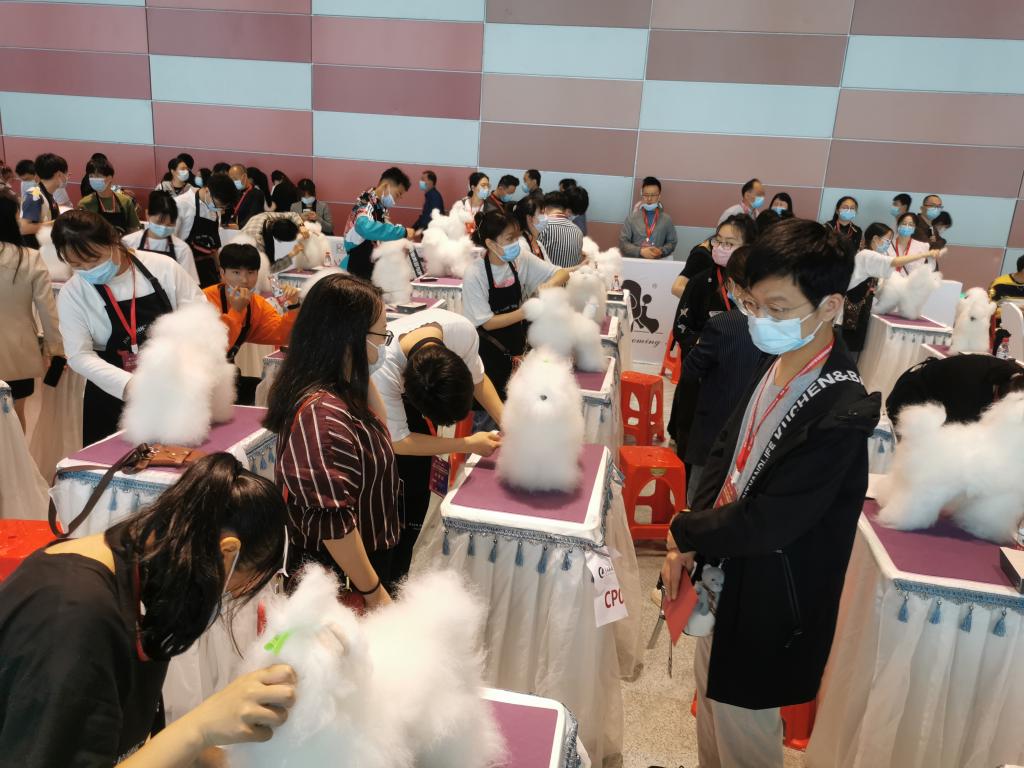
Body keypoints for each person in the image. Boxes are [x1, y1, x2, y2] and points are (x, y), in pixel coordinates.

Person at [661, 218, 880, 768]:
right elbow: (726, 448)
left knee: (744, 732)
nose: (761, 320)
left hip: (769, 594)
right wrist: (692, 528)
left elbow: (770, 520)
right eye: (753, 305)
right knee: (712, 709)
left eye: (778, 309)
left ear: (830, 306)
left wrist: (685, 530)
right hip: (725, 571)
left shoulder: (840, 409)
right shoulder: (779, 360)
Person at [0, 453, 299, 767]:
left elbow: (130, 744)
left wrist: (211, 755)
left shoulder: (142, 576)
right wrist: (199, 728)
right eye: (229, 593)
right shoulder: (74, 614)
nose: (218, 604)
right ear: (226, 555)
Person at [265, 273, 401, 599]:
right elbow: (332, 522)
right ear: (350, 337)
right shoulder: (322, 415)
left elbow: (383, 426)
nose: (384, 344)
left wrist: (358, 365)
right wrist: (374, 592)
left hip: (364, 558)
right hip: (345, 574)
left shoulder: (342, 387)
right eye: (381, 334)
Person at [372, 306, 504, 579]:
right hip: (379, 432)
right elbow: (399, 442)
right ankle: (389, 581)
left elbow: (478, 381)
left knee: (418, 495)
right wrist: (466, 443)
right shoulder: (381, 367)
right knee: (399, 516)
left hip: (403, 413)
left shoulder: (462, 331)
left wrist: (508, 422)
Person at [53, 210, 205, 445]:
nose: (88, 269)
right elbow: (78, 355)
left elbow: (199, 317)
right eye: (76, 265)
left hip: (175, 385)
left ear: (113, 241)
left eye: (94, 259)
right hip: (111, 395)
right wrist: (129, 384)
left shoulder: (163, 268)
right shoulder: (73, 293)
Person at [678, 246, 767, 504]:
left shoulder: (722, 325)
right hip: (756, 433)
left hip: (715, 429)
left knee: (699, 498)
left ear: (733, 286)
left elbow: (690, 370)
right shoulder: (779, 325)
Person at [670, 215, 757, 458]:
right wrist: (708, 343)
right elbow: (681, 328)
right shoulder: (700, 282)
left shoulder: (758, 286)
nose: (720, 248)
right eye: (718, 241)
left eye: (730, 243)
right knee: (693, 445)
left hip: (740, 379)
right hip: (701, 378)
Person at [463, 209, 569, 399]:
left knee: (519, 400)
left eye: (517, 237)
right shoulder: (475, 273)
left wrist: (548, 285)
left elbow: (562, 273)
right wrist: (525, 312)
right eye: (509, 239)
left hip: (516, 345)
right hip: (488, 352)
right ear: (490, 243)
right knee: (491, 405)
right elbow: (488, 323)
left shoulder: (520, 260)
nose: (516, 243)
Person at [204, 242, 300, 404]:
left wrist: (293, 306)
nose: (244, 280)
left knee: (274, 393)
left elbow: (282, 336)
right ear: (222, 273)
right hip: (198, 380)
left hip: (227, 378)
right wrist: (236, 311)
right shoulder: (205, 299)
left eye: (250, 273)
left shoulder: (256, 304)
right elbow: (215, 348)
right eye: (236, 272)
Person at [0, 190, 64, 430]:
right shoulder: (30, 258)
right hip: (19, 351)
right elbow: (47, 309)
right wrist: (55, 350)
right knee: (15, 417)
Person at [841, 222, 943, 352]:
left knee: (856, 345)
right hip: (852, 306)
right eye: (887, 240)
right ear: (875, 239)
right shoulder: (866, 254)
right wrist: (923, 255)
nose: (889, 243)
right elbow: (895, 262)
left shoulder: (877, 255)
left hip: (863, 305)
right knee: (848, 346)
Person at [888, 354, 1024, 430]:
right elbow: (958, 434)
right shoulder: (970, 392)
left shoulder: (1016, 377)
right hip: (911, 398)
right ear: (996, 397)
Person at [342, 166, 415, 281]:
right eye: (398, 194)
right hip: (357, 269)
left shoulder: (380, 207)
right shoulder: (365, 204)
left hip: (371, 267)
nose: (397, 200)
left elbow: (383, 232)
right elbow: (365, 228)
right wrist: (402, 232)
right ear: (386, 186)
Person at [174, 171, 240, 287]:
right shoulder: (180, 204)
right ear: (207, 191)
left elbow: (214, 247)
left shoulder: (216, 210)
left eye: (223, 207)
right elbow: (170, 242)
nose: (220, 210)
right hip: (185, 268)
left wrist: (220, 272)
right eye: (219, 205)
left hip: (208, 269)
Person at [121, 190, 199, 283]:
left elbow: (190, 284)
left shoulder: (182, 249)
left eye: (170, 224)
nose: (164, 227)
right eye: (159, 222)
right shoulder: (128, 242)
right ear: (147, 215)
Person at [78, 159, 142, 237]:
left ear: (110, 178)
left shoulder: (125, 201)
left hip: (122, 243)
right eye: (91, 176)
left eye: (98, 176)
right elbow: (82, 234)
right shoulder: (85, 203)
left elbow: (134, 230)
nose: (94, 179)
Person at [620, 176, 678, 261]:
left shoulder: (666, 220)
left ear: (659, 196)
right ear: (642, 195)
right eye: (646, 195)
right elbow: (623, 243)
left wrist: (661, 251)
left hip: (658, 263)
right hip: (636, 263)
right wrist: (640, 251)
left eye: (653, 195)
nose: (649, 199)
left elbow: (672, 242)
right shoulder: (631, 218)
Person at [19, 152, 67, 248]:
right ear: (59, 174)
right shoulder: (34, 194)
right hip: (36, 251)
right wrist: (56, 223)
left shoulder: (47, 194)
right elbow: (24, 228)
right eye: (65, 173)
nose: (66, 177)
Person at [239, 210, 309, 269]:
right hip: (242, 263)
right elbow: (269, 269)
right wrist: (292, 254)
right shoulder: (258, 243)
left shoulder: (263, 217)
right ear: (279, 240)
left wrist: (301, 226)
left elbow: (293, 215)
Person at [536, 191, 583, 268]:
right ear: (565, 209)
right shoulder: (578, 231)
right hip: (571, 275)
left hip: (550, 275)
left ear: (544, 208)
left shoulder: (543, 227)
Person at [224, 164, 266, 229]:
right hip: (234, 229)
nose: (233, 182)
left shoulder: (257, 193)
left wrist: (239, 226)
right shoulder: (235, 192)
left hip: (248, 229)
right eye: (231, 180)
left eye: (235, 179)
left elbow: (254, 214)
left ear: (244, 177)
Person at [513, 195, 548, 260]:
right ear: (529, 218)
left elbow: (549, 266)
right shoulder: (522, 245)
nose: (545, 217)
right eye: (541, 213)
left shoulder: (538, 244)